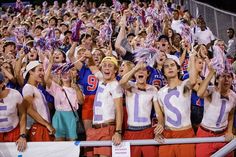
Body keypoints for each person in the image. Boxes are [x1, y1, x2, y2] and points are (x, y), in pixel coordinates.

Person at [154, 55, 197, 157]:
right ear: (163, 72)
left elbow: (193, 81)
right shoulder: (160, 92)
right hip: (168, 134)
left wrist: (191, 58)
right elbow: (161, 116)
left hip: (186, 134)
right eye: (166, 66)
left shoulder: (185, 85)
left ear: (178, 69)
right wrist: (159, 130)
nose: (170, 68)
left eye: (172, 65)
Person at [86, 56, 123, 157]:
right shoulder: (101, 80)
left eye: (110, 66)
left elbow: (119, 110)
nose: (106, 68)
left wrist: (118, 132)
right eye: (104, 65)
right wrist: (90, 57)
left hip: (107, 129)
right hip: (94, 130)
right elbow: (92, 66)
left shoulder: (116, 86)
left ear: (115, 70)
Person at [120, 62, 159, 157]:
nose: (140, 71)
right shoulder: (129, 86)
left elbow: (158, 112)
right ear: (134, 74)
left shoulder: (153, 89)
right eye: (138, 70)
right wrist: (134, 68)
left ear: (148, 74)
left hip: (147, 131)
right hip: (131, 131)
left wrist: (160, 124)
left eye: (144, 70)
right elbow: (122, 82)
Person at [196, 66, 236, 157]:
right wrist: (211, 73)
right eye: (223, 76)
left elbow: (231, 114)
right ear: (217, 79)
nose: (226, 80)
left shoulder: (234, 96)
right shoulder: (211, 90)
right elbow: (199, 93)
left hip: (223, 135)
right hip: (205, 134)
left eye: (229, 77)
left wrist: (229, 131)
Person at [44, 53, 84, 141]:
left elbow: (81, 102)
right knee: (59, 144)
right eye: (63, 73)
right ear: (60, 76)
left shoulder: (77, 88)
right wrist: (50, 64)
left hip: (71, 117)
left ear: (71, 75)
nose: (65, 75)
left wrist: (77, 89)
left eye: (67, 73)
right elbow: (46, 79)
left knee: (71, 143)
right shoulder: (56, 88)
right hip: (59, 116)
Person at [22, 61, 55, 141]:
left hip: (42, 126)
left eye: (43, 70)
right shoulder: (28, 88)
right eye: (40, 70)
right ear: (31, 72)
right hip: (38, 127)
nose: (42, 73)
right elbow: (29, 109)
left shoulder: (36, 88)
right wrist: (47, 124)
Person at [0, 72, 27, 152]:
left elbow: (22, 114)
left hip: (14, 133)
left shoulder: (15, 94)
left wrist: (22, 135)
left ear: (2, 84)